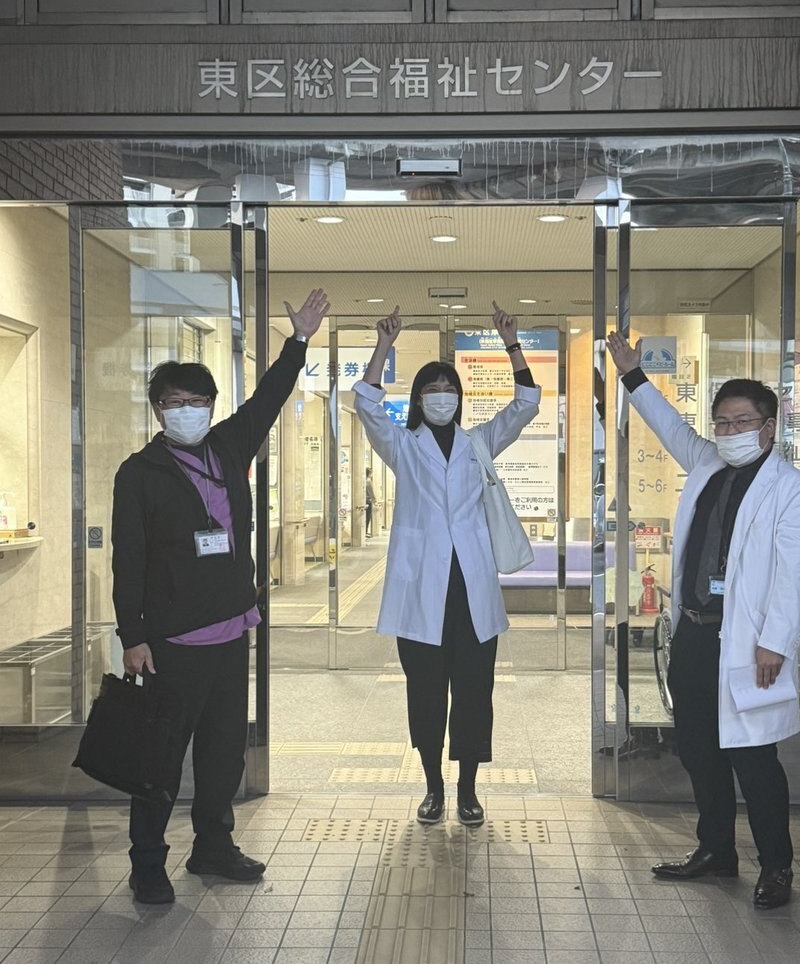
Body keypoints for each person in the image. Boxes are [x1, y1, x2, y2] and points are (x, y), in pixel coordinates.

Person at [111, 288, 330, 904]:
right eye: (174, 403)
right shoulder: (140, 473)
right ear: (158, 411)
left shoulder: (228, 447)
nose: (186, 411)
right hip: (172, 642)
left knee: (223, 753)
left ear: (211, 406)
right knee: (159, 759)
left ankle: (212, 845)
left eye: (197, 402)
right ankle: (147, 863)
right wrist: (134, 636)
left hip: (232, 632)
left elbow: (269, 398)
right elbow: (127, 560)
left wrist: (299, 340)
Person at [606, 331, 800, 909]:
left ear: (769, 426)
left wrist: (775, 643)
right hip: (697, 635)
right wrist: (632, 375)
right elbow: (669, 426)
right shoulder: (707, 463)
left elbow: (795, 576)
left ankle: (776, 865)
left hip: (751, 645)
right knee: (699, 749)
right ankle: (716, 851)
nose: (729, 431)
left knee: (754, 759)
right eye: (722, 422)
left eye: (742, 421)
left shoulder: (794, 491)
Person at [353, 303, 541, 827]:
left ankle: (468, 789)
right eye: (432, 389)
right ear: (418, 399)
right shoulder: (402, 445)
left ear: (459, 398)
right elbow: (366, 404)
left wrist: (512, 344)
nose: (442, 396)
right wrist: (384, 346)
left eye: (449, 389)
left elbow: (526, 404)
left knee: (475, 695)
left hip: (471, 595)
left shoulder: (479, 442)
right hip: (421, 597)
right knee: (426, 695)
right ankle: (433, 786)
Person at [365, 467, 377, 537]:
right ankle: (365, 532)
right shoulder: (368, 481)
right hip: (368, 501)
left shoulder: (363, 480)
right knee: (367, 517)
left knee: (366, 517)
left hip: (365, 500)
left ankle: (365, 531)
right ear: (369, 473)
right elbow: (371, 492)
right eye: (371, 473)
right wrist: (374, 501)